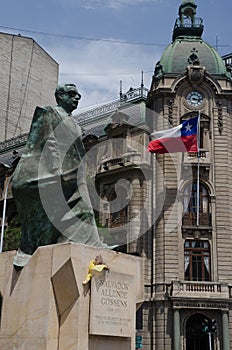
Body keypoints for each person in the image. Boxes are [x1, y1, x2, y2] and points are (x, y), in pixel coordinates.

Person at [12, 83, 114, 267]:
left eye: (78, 96)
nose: (76, 98)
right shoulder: (48, 113)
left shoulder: (75, 123)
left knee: (84, 208)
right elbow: (37, 144)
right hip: (56, 171)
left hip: (74, 174)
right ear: (59, 96)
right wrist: (53, 167)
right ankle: (31, 246)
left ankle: (91, 241)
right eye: (71, 94)